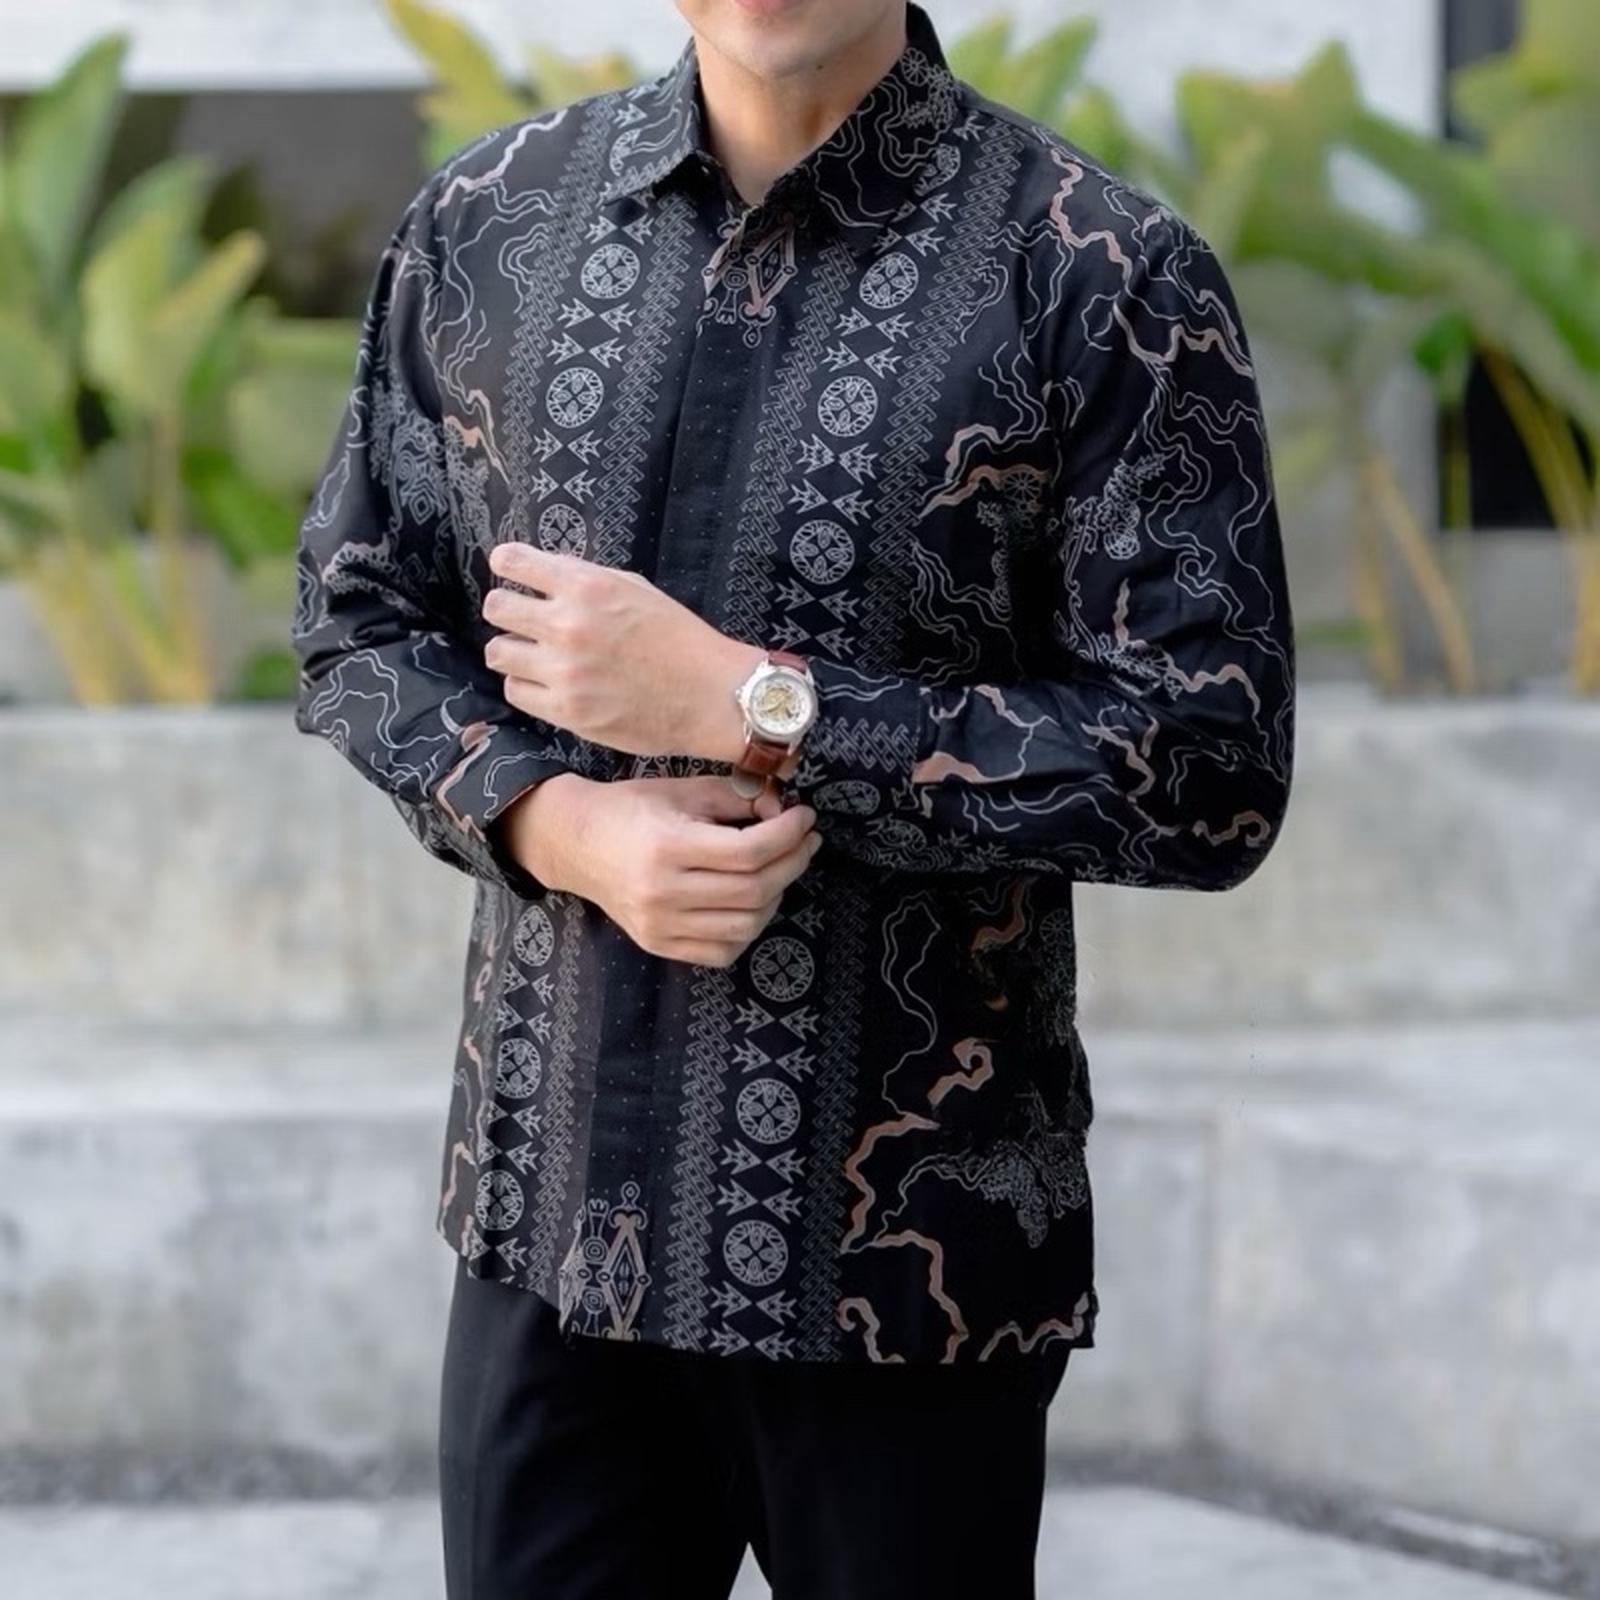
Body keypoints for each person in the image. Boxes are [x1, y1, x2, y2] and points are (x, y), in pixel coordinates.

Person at [289, 1, 1296, 1594]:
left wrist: (756, 706)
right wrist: (561, 827)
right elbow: (358, 616)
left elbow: (1208, 767)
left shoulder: (1102, 272)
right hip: (556, 1232)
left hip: (908, 1270)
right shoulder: (490, 224)